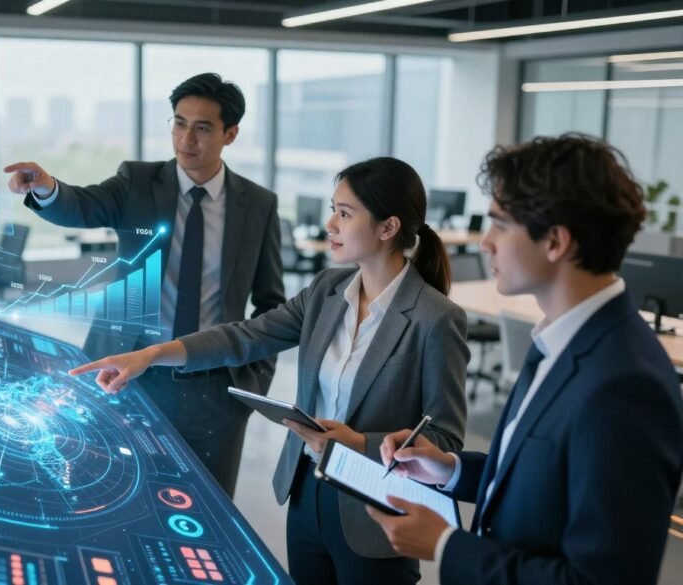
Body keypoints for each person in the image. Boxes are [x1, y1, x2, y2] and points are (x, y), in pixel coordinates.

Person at [71, 157, 469, 585]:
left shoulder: (435, 318)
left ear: (388, 228)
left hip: (375, 512)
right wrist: (149, 355)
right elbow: (243, 336)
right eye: (333, 209)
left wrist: (360, 443)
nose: (330, 224)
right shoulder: (326, 291)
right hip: (307, 495)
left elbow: (444, 441)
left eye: (345, 213)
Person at [369, 134, 683, 585]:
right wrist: (449, 468)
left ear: (554, 241)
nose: (485, 243)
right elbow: (535, 486)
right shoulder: (558, 341)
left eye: (500, 224)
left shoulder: (625, 383)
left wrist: (444, 545)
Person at [3, 73, 285, 497]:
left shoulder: (258, 204)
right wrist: (47, 188)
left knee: (207, 506)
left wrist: (250, 385)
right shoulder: (138, 182)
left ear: (231, 134)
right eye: (179, 122)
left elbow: (271, 304)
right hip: (127, 373)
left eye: (202, 127)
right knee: (112, 496)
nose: (186, 138)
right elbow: (82, 205)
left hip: (215, 386)